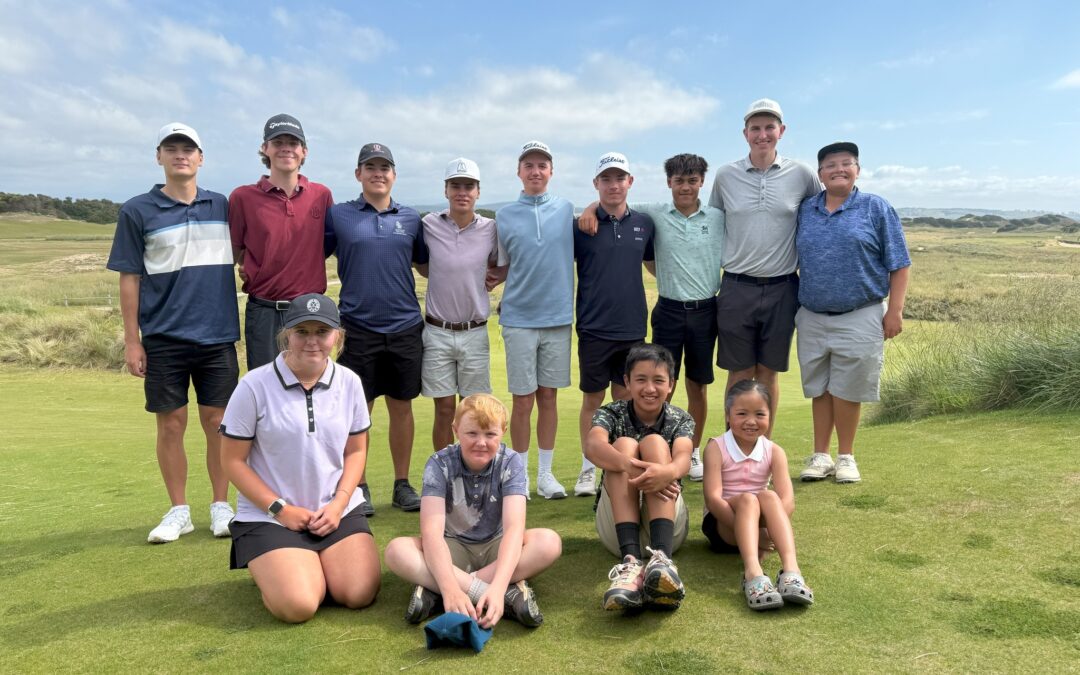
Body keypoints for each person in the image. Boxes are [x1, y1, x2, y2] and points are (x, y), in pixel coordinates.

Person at [107, 122, 240, 544]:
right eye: (172, 148)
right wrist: (133, 339)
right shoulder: (137, 210)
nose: (181, 154)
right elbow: (129, 278)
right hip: (164, 336)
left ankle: (221, 506)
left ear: (201, 158)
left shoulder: (222, 205)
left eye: (189, 148)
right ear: (159, 156)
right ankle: (179, 510)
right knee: (171, 424)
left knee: (218, 422)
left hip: (217, 334)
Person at [220, 293, 380, 622]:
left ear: (338, 335)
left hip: (336, 511)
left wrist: (339, 503)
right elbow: (232, 461)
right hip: (270, 516)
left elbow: (356, 450)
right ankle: (277, 566)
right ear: (286, 334)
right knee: (299, 605)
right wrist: (280, 509)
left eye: (322, 332)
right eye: (302, 331)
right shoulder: (253, 386)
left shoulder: (349, 382)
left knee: (358, 593)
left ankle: (306, 565)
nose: (312, 342)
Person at [577, 153, 725, 483]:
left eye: (692, 180)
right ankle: (638, 452)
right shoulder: (654, 214)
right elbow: (611, 202)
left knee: (697, 385)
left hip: (705, 310)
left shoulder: (716, 217)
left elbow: (619, 204)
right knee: (658, 387)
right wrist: (589, 209)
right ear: (668, 182)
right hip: (666, 312)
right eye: (678, 180)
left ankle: (692, 450)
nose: (685, 187)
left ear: (702, 182)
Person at [384, 394, 562, 628]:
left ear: (503, 431)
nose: (481, 442)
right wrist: (451, 588)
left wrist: (496, 588)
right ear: (456, 430)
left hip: (496, 547)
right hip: (452, 547)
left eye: (490, 434)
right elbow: (431, 534)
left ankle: (434, 591)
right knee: (396, 550)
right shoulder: (439, 463)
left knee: (549, 542)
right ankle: (507, 594)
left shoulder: (511, 461)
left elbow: (513, 529)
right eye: (472, 433)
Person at [795, 142, 912, 484]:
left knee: (848, 388)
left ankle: (846, 456)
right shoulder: (806, 209)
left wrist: (896, 311)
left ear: (857, 170)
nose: (839, 169)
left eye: (846, 164)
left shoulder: (876, 208)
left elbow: (900, 264)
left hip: (861, 312)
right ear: (820, 175)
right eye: (831, 165)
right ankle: (820, 456)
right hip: (813, 314)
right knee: (821, 387)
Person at [325, 142, 428, 515]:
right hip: (357, 327)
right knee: (357, 411)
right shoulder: (339, 216)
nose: (378, 173)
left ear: (394, 175)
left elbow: (428, 265)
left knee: (402, 407)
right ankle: (357, 485)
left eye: (384, 167)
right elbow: (310, 254)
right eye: (370, 167)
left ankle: (402, 484)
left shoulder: (412, 218)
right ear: (358, 174)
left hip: (404, 326)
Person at [709, 98, 821, 437]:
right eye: (755, 128)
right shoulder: (726, 175)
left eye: (769, 127)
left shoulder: (802, 174)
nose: (762, 134)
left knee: (769, 374)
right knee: (739, 375)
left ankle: (762, 454)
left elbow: (823, 212)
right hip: (736, 286)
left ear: (781, 131)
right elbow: (713, 225)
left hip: (783, 287)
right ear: (745, 134)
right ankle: (731, 453)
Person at [571, 152, 655, 498]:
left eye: (620, 178)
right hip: (593, 327)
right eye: (606, 179)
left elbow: (652, 263)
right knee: (593, 400)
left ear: (630, 182)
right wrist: (591, 209)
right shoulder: (582, 226)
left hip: (632, 327)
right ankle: (589, 466)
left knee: (625, 400)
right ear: (596, 184)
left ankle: (624, 463)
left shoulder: (645, 223)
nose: (614, 184)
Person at [584, 343, 693, 611]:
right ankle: (630, 563)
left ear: (671, 384)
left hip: (669, 527)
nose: (649, 388)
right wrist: (631, 467)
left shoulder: (680, 418)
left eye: (658, 380)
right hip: (618, 533)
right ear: (627, 382)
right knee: (622, 446)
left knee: (656, 442)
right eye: (641, 379)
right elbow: (593, 446)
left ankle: (662, 561)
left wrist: (665, 473)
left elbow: (683, 458)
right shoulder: (610, 412)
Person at [495, 141, 574, 499]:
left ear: (551, 171)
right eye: (529, 165)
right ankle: (520, 477)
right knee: (522, 400)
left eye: (542, 164)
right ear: (519, 171)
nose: (536, 171)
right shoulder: (505, 215)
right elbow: (499, 262)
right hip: (519, 319)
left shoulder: (567, 209)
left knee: (548, 398)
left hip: (558, 318)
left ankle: (545, 475)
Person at [229, 114, 334, 371]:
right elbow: (235, 250)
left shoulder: (322, 195)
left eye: (293, 142)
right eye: (278, 142)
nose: (286, 148)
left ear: (304, 151)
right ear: (265, 149)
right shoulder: (243, 197)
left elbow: (326, 245)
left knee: (311, 388)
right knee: (265, 392)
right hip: (264, 311)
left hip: (310, 311)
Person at [701, 379, 814, 610]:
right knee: (748, 499)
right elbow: (713, 499)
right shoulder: (716, 447)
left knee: (769, 496)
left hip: (760, 527)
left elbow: (787, 502)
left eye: (760, 414)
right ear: (727, 415)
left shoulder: (774, 451)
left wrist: (765, 532)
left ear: (770, 415)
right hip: (723, 526)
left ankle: (791, 570)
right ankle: (753, 573)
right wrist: (751, 534)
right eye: (742, 413)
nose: (751, 421)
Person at [419, 158, 505, 452]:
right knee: (443, 410)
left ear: (478, 192)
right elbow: (422, 265)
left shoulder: (491, 228)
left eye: (469, 186)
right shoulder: (429, 224)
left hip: (474, 330)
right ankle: (443, 476)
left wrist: (497, 276)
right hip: (437, 330)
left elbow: (504, 263)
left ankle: (474, 476)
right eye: (456, 185)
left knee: (474, 412)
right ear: (446, 190)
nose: (462, 192)